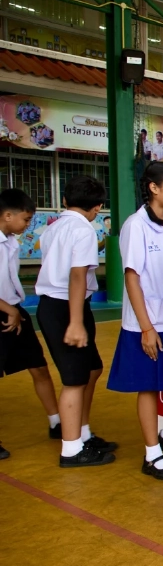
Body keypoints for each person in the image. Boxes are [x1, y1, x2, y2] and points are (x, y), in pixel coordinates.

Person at [106, 163, 163, 480]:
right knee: (148, 387)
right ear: (154, 188)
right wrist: (146, 327)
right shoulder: (135, 225)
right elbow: (132, 278)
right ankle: (152, 454)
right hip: (148, 322)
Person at [35, 175, 118, 467]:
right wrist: (75, 321)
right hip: (65, 307)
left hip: (63, 305)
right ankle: (71, 450)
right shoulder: (83, 230)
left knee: (93, 368)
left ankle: (82, 434)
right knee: (73, 380)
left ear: (66, 200)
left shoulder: (52, 229)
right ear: (98, 207)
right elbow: (77, 275)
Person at [0, 189, 61, 459]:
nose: (28, 225)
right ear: (7, 215)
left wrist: (14, 310)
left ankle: (56, 422)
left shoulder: (10, 241)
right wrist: (7, 310)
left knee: (39, 366)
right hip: (5, 311)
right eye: (26, 219)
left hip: (15, 310)